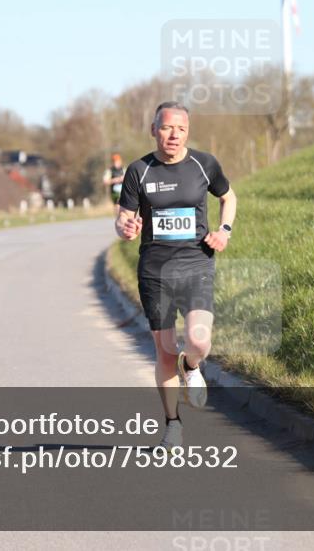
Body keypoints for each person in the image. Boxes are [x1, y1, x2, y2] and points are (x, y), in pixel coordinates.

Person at [114, 101, 237, 451]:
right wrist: (126, 228)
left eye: (180, 129)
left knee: (198, 340)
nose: (173, 135)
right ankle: (172, 425)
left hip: (196, 263)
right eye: (166, 127)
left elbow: (229, 197)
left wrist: (224, 230)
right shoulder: (139, 171)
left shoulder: (204, 164)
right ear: (154, 129)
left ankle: (192, 364)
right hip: (155, 272)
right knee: (164, 351)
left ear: (188, 131)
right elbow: (123, 218)